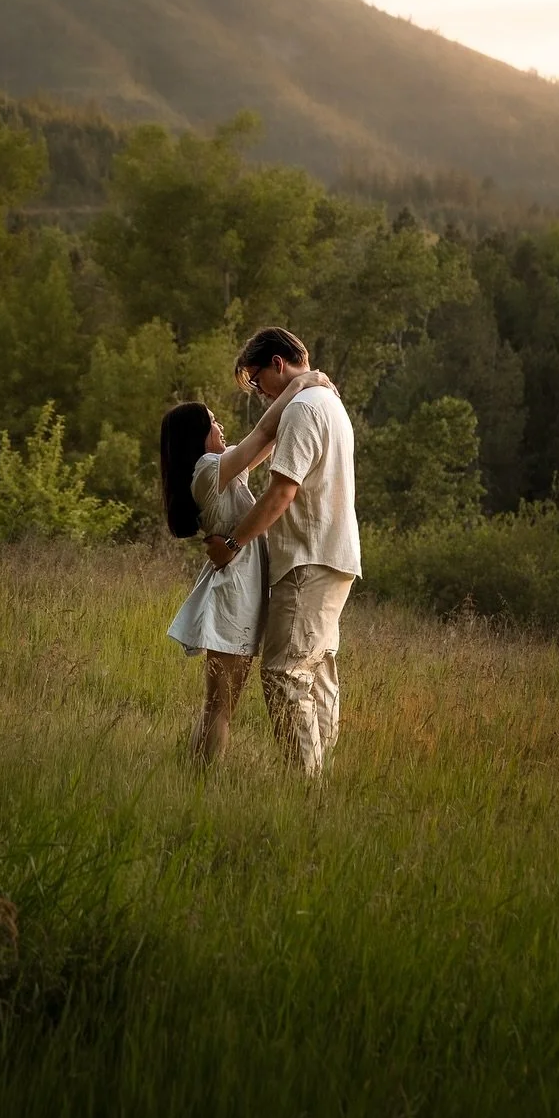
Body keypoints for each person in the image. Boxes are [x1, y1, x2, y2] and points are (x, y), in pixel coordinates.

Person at [205, 325, 360, 778]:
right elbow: (257, 449)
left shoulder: (303, 409)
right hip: (334, 555)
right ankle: (318, 776)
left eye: (256, 381)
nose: (257, 392)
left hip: (307, 558)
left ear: (276, 363)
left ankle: (305, 784)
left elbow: (281, 493)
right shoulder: (325, 402)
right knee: (318, 672)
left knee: (283, 674)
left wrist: (233, 544)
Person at [160, 368, 334, 764]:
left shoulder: (220, 471)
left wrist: (295, 395)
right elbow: (259, 434)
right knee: (220, 705)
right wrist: (301, 384)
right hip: (232, 595)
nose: (219, 425)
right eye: (212, 422)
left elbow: (268, 440)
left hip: (242, 592)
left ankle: (199, 777)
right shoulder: (206, 469)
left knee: (223, 705)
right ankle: (200, 781)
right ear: (196, 436)